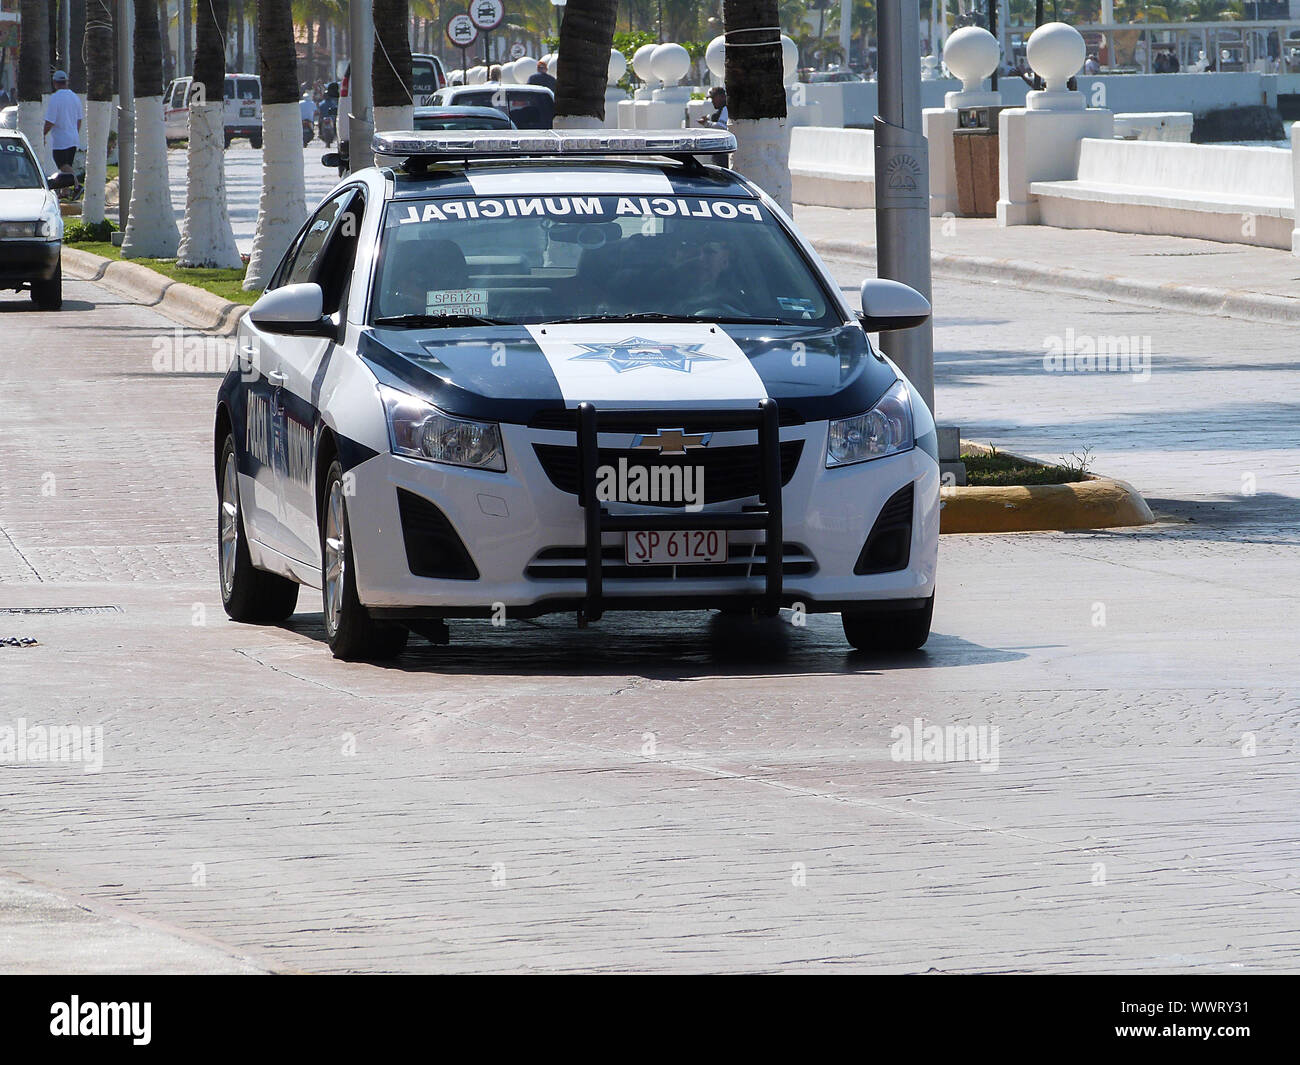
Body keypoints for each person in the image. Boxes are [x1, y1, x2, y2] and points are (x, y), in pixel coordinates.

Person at [43, 70, 82, 175]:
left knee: (62, 165)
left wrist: (43, 134)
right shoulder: (75, 97)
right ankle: (65, 191)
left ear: (55, 83)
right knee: (67, 165)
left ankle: (76, 184)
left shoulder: (55, 98)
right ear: (66, 82)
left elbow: (50, 121)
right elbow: (79, 119)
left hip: (61, 141)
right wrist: (75, 132)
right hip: (73, 139)